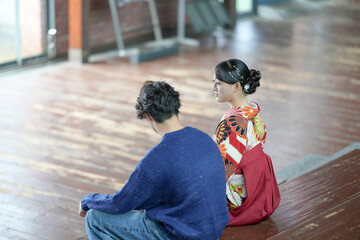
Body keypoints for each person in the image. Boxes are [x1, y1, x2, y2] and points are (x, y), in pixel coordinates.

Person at [78, 81, 230, 239]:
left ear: (148, 116)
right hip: (213, 232)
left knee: (94, 218)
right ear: (176, 106)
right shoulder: (203, 137)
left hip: (181, 236)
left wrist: (88, 201)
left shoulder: (157, 158)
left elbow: (121, 203)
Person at [212, 59, 280, 226]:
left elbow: (223, 171)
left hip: (237, 199)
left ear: (236, 86)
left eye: (219, 83)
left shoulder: (233, 124)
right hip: (257, 188)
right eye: (213, 82)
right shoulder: (253, 112)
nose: (213, 88)